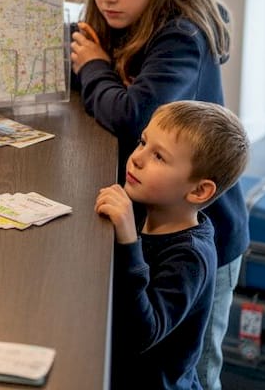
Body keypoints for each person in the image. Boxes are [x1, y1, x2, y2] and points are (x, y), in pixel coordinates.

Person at [70, 0, 248, 390]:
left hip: (201, 223)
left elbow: (131, 113)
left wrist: (93, 68)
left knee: (194, 367)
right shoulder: (125, 16)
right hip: (159, 214)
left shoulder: (182, 34)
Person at [96, 100, 250, 390]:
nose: (137, 158)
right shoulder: (146, 209)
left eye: (159, 157)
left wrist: (129, 242)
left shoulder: (191, 256)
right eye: (143, 142)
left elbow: (142, 333)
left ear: (199, 190)